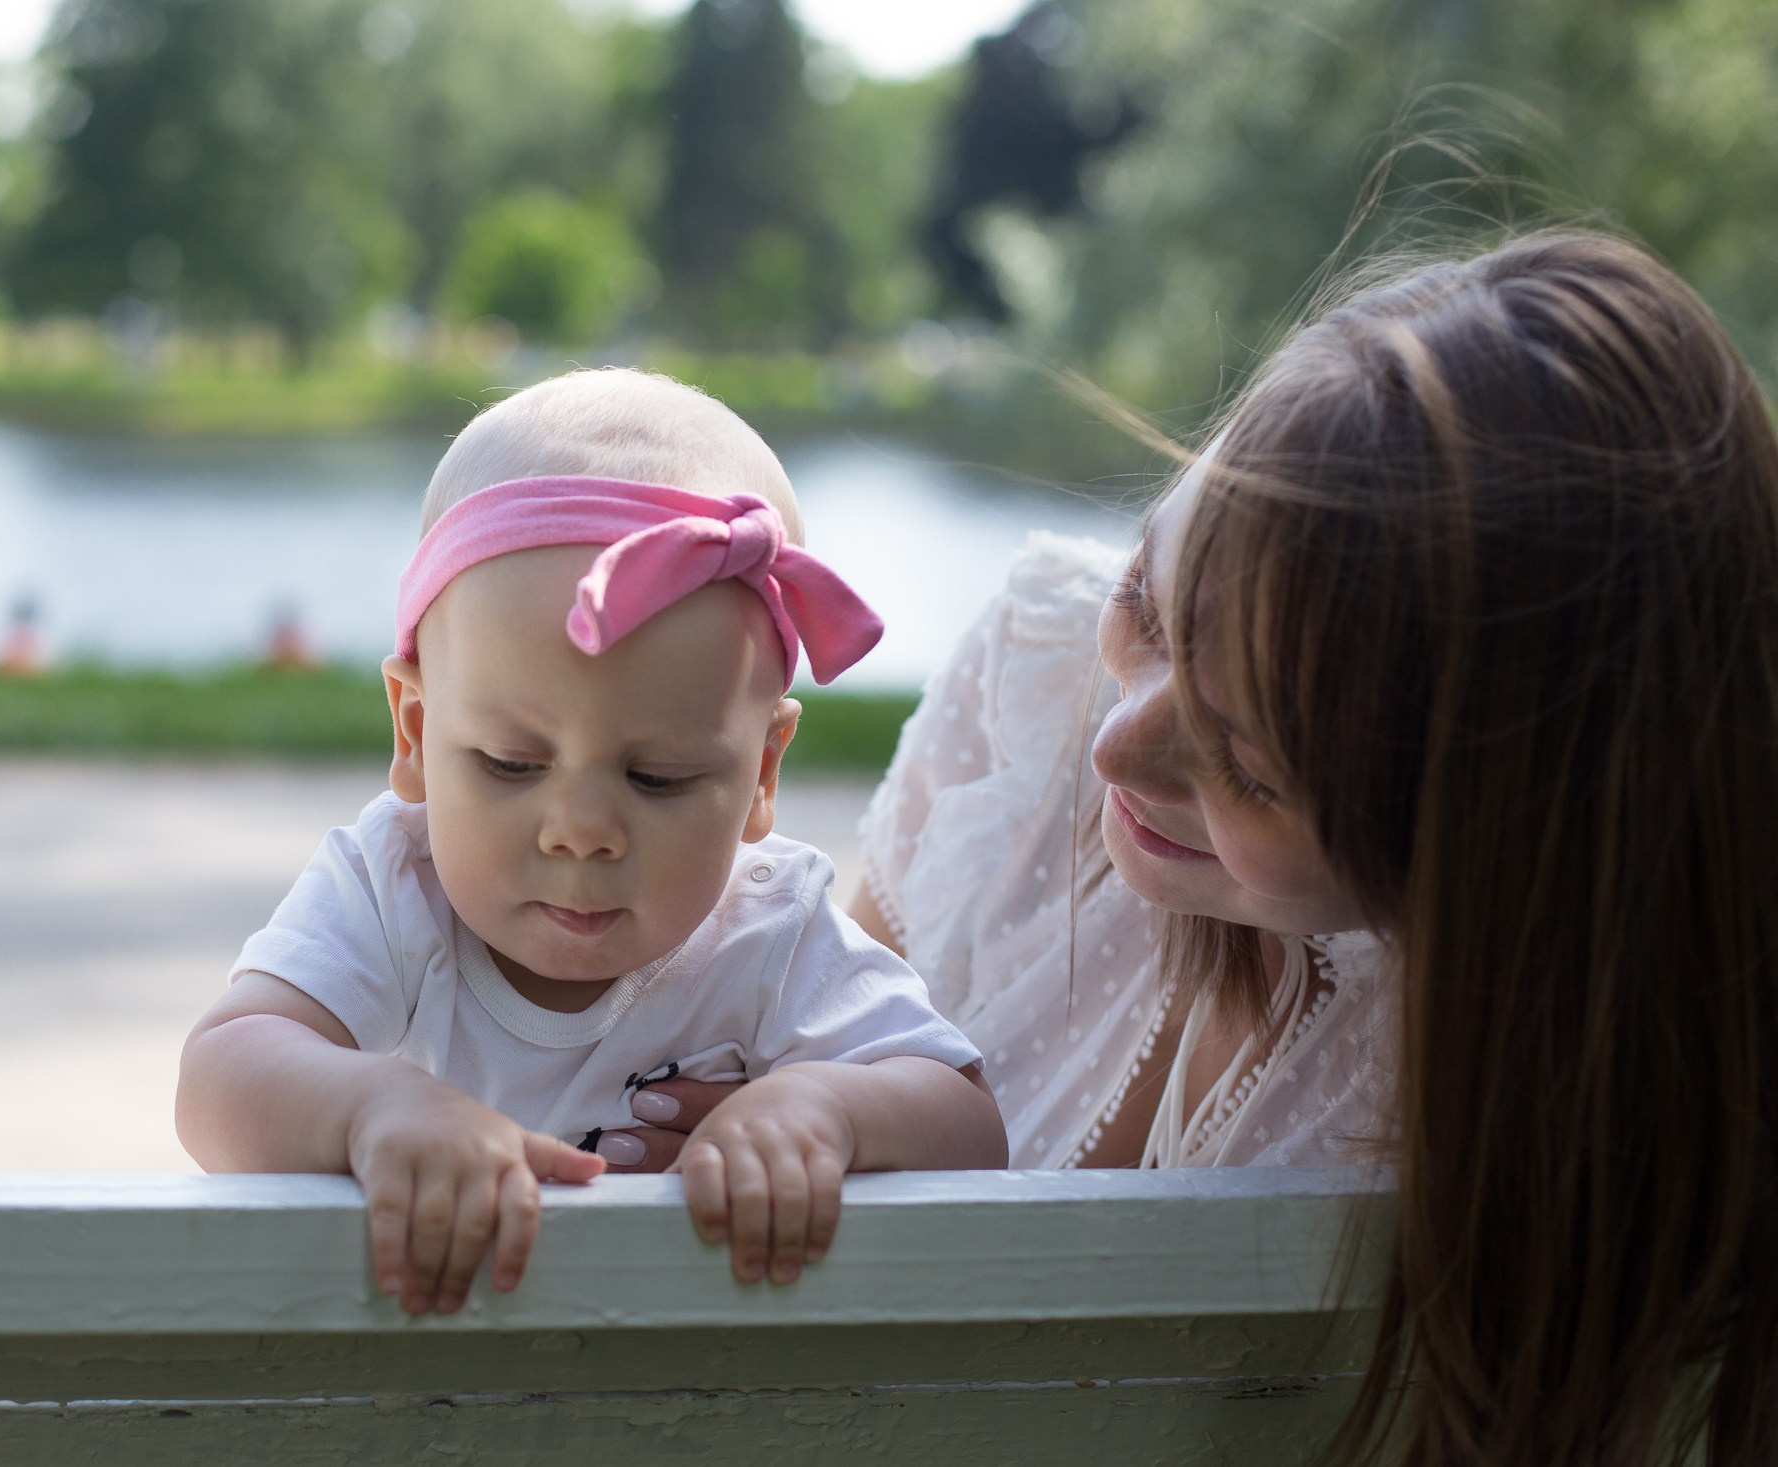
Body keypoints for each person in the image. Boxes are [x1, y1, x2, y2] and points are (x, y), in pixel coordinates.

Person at [608, 234, 1778, 1464]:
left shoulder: (1543, 1123)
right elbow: (817, 1032)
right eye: (1148, 604)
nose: (1115, 746)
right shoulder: (1036, 683)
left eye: (1253, 766)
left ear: (1491, 846)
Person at [175, 369, 1006, 1319]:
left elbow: (970, 1124)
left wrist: (826, 1109)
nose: (581, 832)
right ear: (414, 729)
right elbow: (219, 1078)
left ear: (761, 773)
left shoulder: (770, 927)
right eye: (510, 763)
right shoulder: (392, 886)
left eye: (659, 778)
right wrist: (371, 1107)